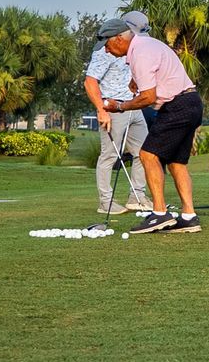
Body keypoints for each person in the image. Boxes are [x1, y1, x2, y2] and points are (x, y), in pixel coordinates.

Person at [99, 21, 203, 234]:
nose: (106, 50)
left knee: (147, 155)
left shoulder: (141, 53)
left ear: (119, 38)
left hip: (177, 106)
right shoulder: (148, 45)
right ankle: (189, 216)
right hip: (191, 102)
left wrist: (119, 106)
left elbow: (148, 97)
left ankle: (159, 213)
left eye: (107, 44)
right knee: (176, 162)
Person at [84, 18, 150, 223]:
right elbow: (90, 81)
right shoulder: (103, 53)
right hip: (113, 109)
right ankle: (106, 202)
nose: (107, 46)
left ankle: (137, 197)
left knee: (145, 153)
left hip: (133, 107)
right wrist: (100, 110)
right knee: (109, 156)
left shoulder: (133, 49)